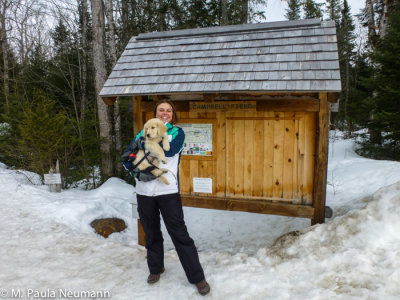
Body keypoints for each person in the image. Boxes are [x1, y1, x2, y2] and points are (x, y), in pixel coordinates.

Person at [123, 100, 211, 296]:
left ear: (173, 114)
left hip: (167, 191)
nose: (164, 113)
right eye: (161, 110)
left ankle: (197, 277)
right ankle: (156, 269)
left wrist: (143, 145)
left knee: (179, 234)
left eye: (168, 110)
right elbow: (127, 156)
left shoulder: (176, 133)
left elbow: (170, 151)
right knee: (151, 232)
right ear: (154, 113)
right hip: (144, 192)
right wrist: (133, 169)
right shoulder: (141, 132)